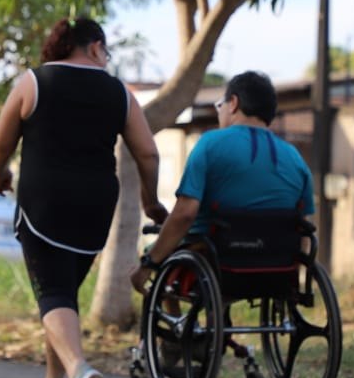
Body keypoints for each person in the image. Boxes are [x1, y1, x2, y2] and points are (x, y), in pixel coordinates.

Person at [0, 17, 168, 378]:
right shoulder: (119, 92)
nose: (106, 58)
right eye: (105, 51)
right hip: (96, 204)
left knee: (52, 293)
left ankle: (78, 370)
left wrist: (0, 174)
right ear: (93, 47)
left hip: (43, 202)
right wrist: (150, 200)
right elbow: (148, 153)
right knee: (63, 291)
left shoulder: (33, 82)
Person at [130, 70, 314, 294]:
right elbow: (303, 224)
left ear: (233, 103)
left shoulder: (210, 143)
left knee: (165, 257)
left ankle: (175, 322)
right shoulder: (294, 157)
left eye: (221, 105)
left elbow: (185, 214)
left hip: (216, 255)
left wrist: (149, 264)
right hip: (278, 263)